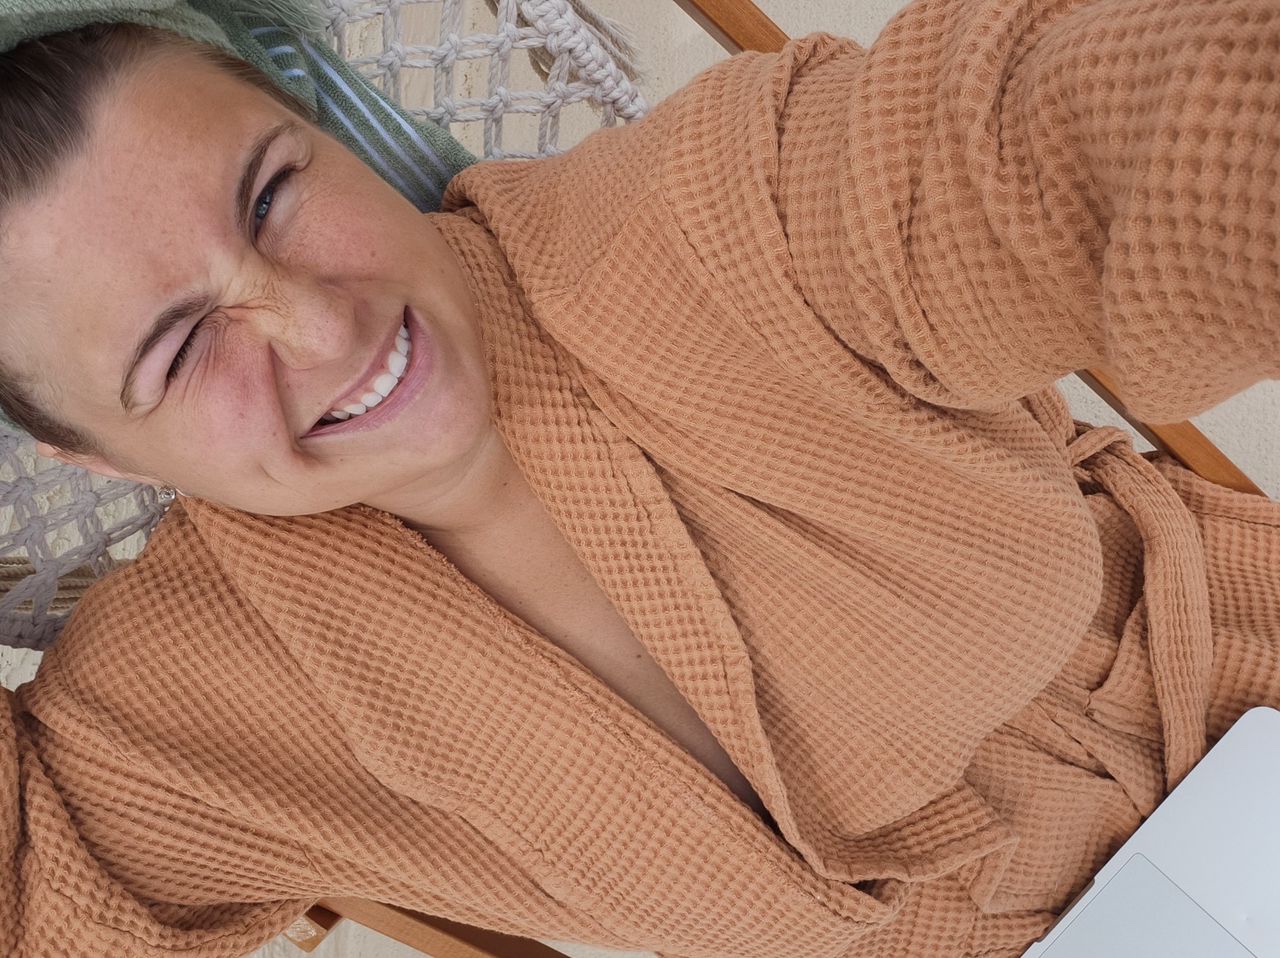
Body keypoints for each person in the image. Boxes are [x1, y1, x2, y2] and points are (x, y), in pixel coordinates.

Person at [1, 0, 1278, 954]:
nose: (321, 327)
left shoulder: (706, 219)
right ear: (86, 450)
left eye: (273, 195)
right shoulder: (170, 718)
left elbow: (1051, 140)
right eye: (179, 349)